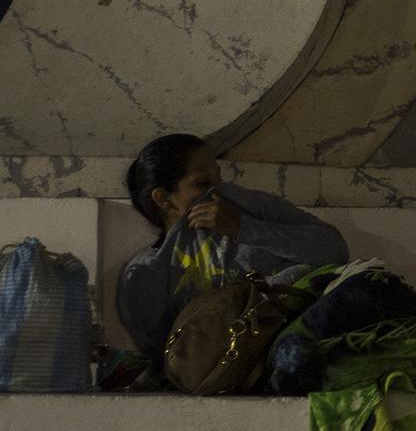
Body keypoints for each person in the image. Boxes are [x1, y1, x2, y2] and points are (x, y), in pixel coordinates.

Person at [117, 133, 350, 370]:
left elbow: (334, 250)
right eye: (202, 184)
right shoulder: (148, 271)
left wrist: (243, 228)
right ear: (164, 199)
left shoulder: (252, 209)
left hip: (287, 356)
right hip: (217, 376)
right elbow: (163, 353)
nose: (218, 193)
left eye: (219, 178)